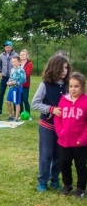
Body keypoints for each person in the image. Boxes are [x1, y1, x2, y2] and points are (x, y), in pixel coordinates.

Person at [32, 54, 71, 192]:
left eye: (66, 68)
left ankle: (55, 179)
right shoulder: (45, 85)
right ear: (54, 68)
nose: (64, 71)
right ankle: (43, 181)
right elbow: (35, 104)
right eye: (61, 68)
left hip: (63, 127)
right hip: (47, 126)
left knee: (59, 155)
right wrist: (51, 109)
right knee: (46, 154)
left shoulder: (68, 86)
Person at [54, 72, 87, 199]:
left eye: (76, 86)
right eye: (71, 86)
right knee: (64, 164)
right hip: (64, 141)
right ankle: (67, 185)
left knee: (80, 165)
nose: (73, 89)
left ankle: (80, 189)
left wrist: (83, 138)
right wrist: (60, 132)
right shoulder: (63, 100)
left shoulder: (85, 101)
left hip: (80, 143)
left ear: (82, 87)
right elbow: (58, 118)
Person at [0, 41, 18, 115]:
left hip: (12, 78)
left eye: (8, 47)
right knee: (1, 93)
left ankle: (15, 111)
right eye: (6, 47)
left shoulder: (15, 55)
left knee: (13, 93)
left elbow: (18, 64)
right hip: (4, 77)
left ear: (11, 47)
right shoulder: (1, 55)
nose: (7, 49)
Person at [6, 56, 26, 121]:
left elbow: (23, 80)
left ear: (19, 62)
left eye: (15, 61)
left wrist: (15, 82)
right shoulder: (12, 69)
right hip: (11, 88)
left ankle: (16, 117)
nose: (13, 63)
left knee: (17, 103)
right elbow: (10, 77)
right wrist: (8, 82)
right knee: (8, 102)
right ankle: (10, 115)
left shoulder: (21, 70)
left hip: (17, 88)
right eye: (12, 62)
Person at [20, 49, 33, 118]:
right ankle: (21, 113)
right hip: (18, 85)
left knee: (25, 99)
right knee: (20, 100)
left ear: (26, 55)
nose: (22, 56)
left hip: (25, 84)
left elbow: (27, 74)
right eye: (21, 55)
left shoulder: (29, 63)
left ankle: (28, 114)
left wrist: (19, 76)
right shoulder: (18, 63)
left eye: (23, 55)